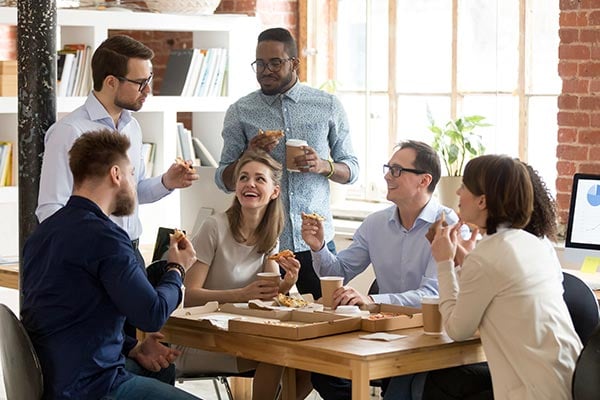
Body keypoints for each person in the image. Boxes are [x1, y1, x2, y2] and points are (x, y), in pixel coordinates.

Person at [35, 34, 199, 384]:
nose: (148, 91)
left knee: (151, 357)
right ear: (111, 81)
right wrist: (90, 246)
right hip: (90, 266)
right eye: (140, 82)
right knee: (113, 360)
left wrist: (166, 182)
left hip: (128, 256)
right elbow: (51, 208)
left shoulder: (132, 127)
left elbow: (130, 193)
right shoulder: (69, 132)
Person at [21, 129, 200, 400]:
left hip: (52, 380)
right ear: (116, 175)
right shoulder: (107, 238)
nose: (132, 184)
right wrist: (177, 268)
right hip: (92, 387)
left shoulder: (42, 234)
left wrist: (132, 347)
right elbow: (152, 313)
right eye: (131, 174)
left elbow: (68, 316)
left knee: (158, 369)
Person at [301, 140, 460, 399]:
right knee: (323, 369)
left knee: (402, 383)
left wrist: (372, 300)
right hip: (383, 332)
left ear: (424, 180)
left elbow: (432, 294)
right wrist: (319, 248)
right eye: (388, 168)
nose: (387, 176)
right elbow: (339, 270)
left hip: (429, 334)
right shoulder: (375, 224)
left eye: (397, 170)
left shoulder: (448, 225)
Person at [398, 161, 565, 400]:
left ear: (482, 201)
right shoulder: (534, 243)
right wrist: (463, 259)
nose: (457, 192)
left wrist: (445, 262)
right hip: (565, 379)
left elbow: (457, 329)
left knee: (435, 384)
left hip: (531, 389)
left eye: (464, 186)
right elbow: (499, 287)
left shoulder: (487, 254)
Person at [215, 27, 359, 300]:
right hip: (261, 242)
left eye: (275, 62)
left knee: (330, 314)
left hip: (315, 241)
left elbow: (351, 169)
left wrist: (322, 166)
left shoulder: (327, 105)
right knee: (258, 320)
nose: (265, 70)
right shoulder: (240, 111)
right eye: (259, 63)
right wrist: (248, 153)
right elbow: (222, 178)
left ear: (294, 63)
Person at [178, 149, 312, 400]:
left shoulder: (270, 231)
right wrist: (240, 294)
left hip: (239, 336)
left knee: (309, 363)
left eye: (259, 179)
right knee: (273, 354)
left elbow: (268, 295)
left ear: (274, 191)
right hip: (198, 339)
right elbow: (190, 296)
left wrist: (287, 284)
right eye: (243, 178)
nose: (250, 183)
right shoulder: (214, 227)